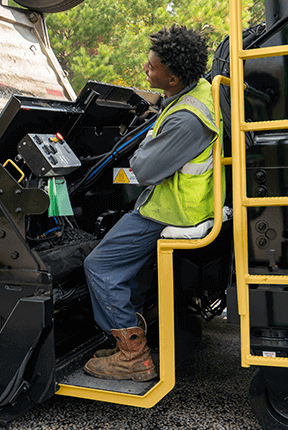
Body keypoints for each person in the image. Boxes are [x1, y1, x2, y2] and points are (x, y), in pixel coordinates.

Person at [83, 24, 222, 382]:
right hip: (178, 202)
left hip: (171, 208)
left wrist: (146, 145)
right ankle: (124, 337)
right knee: (132, 272)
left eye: (152, 66)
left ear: (173, 77)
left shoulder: (187, 119)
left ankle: (133, 356)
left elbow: (143, 170)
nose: (146, 69)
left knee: (101, 266)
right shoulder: (199, 90)